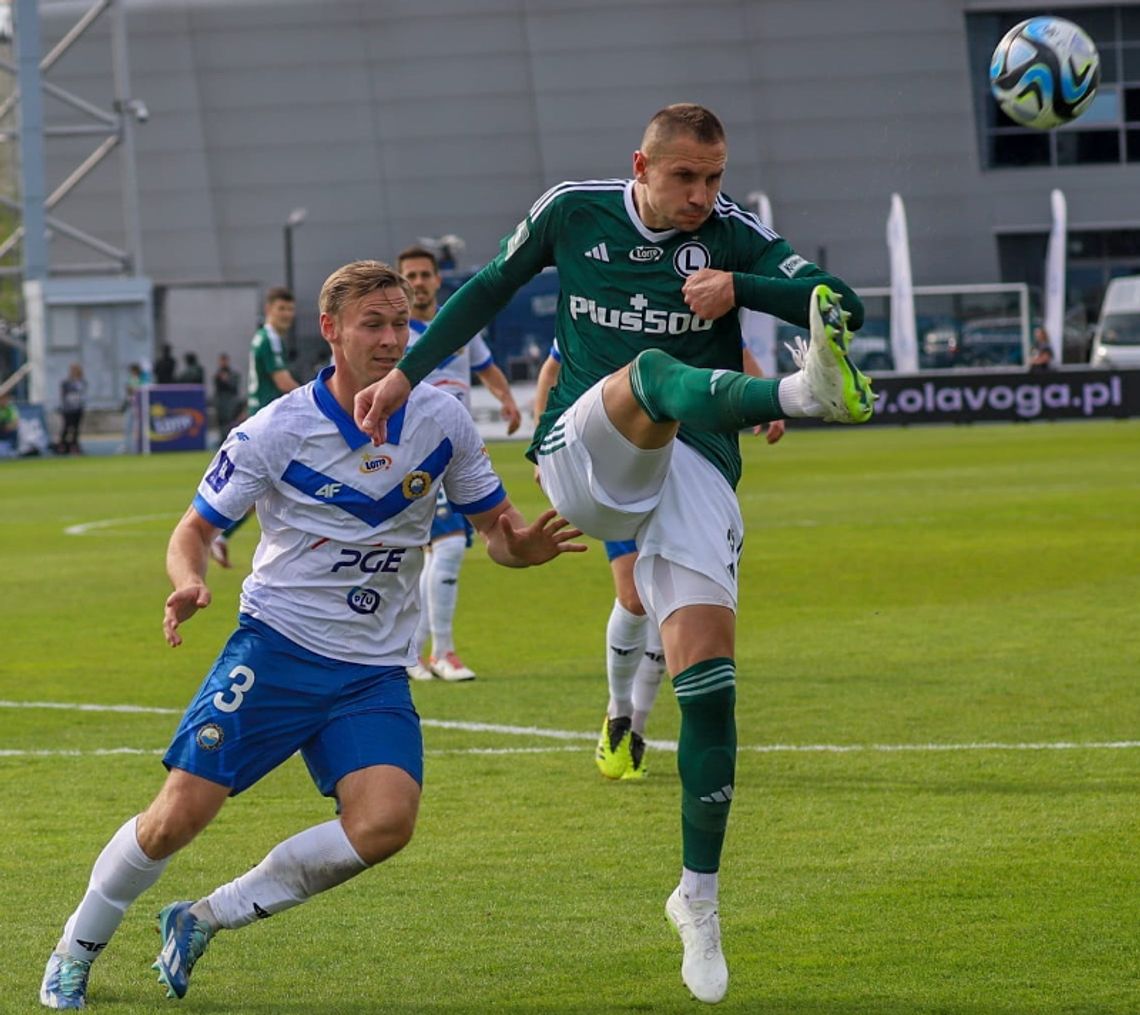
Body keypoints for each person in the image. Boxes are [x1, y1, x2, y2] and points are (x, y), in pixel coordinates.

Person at [352, 103, 874, 1005]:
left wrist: (742, 288)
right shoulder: (574, 211)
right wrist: (403, 372)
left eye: (715, 179)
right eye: (686, 179)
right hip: (584, 450)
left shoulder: (731, 236)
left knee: (709, 682)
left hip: (696, 468)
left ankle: (696, 899)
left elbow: (843, 303)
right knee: (648, 378)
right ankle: (796, 390)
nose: (702, 197)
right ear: (642, 165)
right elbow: (487, 288)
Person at [38, 260, 585, 1010]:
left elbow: (497, 528)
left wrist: (522, 549)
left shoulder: (443, 419)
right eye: (374, 324)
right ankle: (75, 946)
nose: (394, 338)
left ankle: (203, 918)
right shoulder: (276, 428)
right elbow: (193, 528)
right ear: (330, 331)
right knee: (175, 818)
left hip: (371, 670)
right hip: (276, 650)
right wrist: (188, 580)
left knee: (386, 821)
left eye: (400, 323)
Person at [533, 340, 785, 782]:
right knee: (632, 596)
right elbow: (551, 371)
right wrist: (543, 441)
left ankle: (638, 728)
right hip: (620, 464)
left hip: (688, 466)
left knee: (665, 601)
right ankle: (619, 711)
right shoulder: (605, 298)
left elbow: (736, 350)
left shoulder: (692, 304)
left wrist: (768, 397)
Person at [397, 245, 523, 682]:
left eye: (423, 274)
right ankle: (441, 652)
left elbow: (485, 367)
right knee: (446, 547)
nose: (417, 282)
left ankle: (414, 653)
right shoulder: (396, 335)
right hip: (417, 455)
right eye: (409, 275)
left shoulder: (460, 324)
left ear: (436, 279)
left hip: (461, 450)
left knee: (439, 552)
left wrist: (507, 400)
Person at [210, 288, 301, 568]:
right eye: (281, 309)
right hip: (271, 422)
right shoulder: (270, 339)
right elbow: (282, 380)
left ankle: (221, 534)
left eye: (290, 309)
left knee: (268, 487)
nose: (286, 315)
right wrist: (318, 401)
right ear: (269, 309)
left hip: (268, 418)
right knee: (288, 483)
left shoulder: (267, 338)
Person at [57, 362, 87, 455]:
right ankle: (62, 445)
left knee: (76, 428)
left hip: (78, 408)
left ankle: (74, 446)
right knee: (66, 427)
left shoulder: (82, 382)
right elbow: (63, 394)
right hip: (68, 408)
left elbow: (82, 393)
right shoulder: (67, 382)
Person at [212, 352, 242, 443]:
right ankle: (222, 439)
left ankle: (230, 439)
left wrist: (227, 380)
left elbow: (234, 387)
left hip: (230, 401)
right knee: (221, 421)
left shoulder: (233, 374)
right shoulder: (217, 375)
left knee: (230, 421)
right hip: (221, 401)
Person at [120, 363, 145, 454]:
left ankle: (137, 447)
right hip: (130, 405)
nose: (131, 372)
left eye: (133, 370)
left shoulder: (142, 380)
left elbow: (138, 391)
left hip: (138, 406)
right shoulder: (130, 379)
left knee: (137, 427)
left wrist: (132, 389)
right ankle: (126, 446)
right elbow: (128, 393)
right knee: (127, 427)